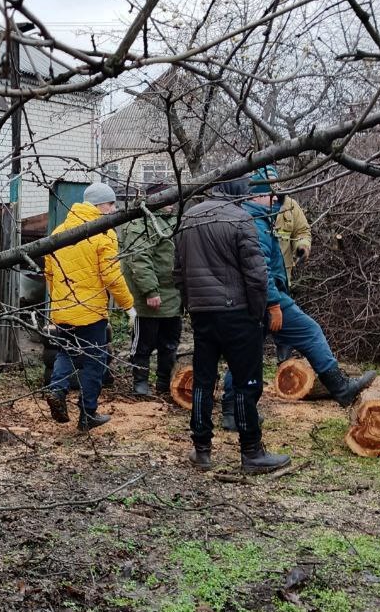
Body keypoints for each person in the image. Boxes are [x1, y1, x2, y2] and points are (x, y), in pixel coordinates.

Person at [220, 167, 376, 430]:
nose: (275, 201)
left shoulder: (253, 215)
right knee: (309, 331)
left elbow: (301, 232)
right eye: (270, 195)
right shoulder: (255, 222)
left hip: (252, 297)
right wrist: (274, 304)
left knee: (245, 353)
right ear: (257, 195)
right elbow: (261, 271)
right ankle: (340, 387)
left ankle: (231, 411)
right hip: (266, 297)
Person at [173, 178, 291, 474]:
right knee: (246, 383)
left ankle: (202, 450)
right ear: (239, 191)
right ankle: (251, 452)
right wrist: (256, 312)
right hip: (237, 312)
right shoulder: (241, 219)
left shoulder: (189, 216)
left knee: (202, 380)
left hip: (203, 313)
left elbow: (178, 270)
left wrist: (191, 304)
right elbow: (256, 273)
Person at [44, 181, 136, 431]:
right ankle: (88, 414)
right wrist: (129, 306)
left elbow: (50, 274)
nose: (113, 209)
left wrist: (61, 301)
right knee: (95, 361)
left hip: (63, 310)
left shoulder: (58, 232)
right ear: (100, 205)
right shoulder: (104, 234)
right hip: (90, 312)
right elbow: (111, 276)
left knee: (66, 353)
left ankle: (57, 390)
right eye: (111, 204)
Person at [119, 183, 182, 398]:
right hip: (149, 299)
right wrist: (150, 291)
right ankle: (140, 384)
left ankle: (164, 384)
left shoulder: (175, 222)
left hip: (173, 295)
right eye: (168, 199)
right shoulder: (142, 224)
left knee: (169, 344)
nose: (172, 204)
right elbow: (139, 259)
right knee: (143, 344)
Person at [273, 192, 312, 363]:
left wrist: (302, 246)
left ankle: (284, 366)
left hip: (283, 279)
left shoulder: (290, 205)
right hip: (257, 281)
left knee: (284, 327)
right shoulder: (250, 203)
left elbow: (302, 231)